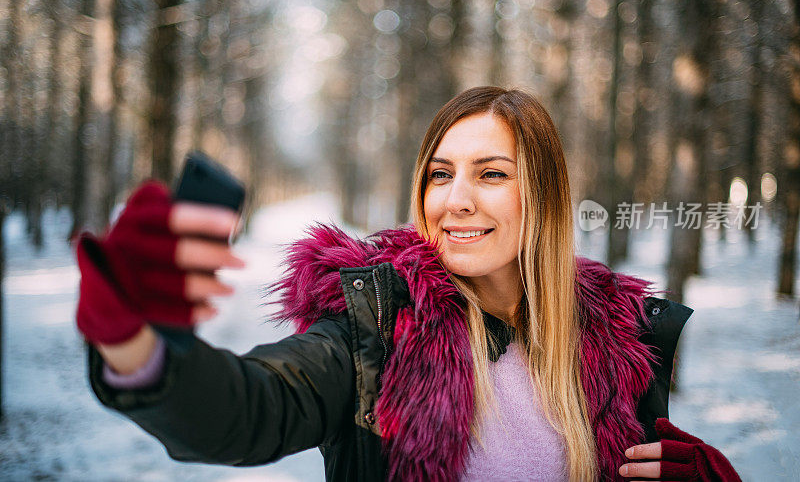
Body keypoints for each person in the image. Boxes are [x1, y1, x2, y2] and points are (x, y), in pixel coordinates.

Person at [75, 87, 742, 481]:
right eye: (439, 173)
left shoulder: (621, 342)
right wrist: (137, 342)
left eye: (491, 173)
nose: (455, 200)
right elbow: (248, 411)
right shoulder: (379, 327)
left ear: (544, 196)